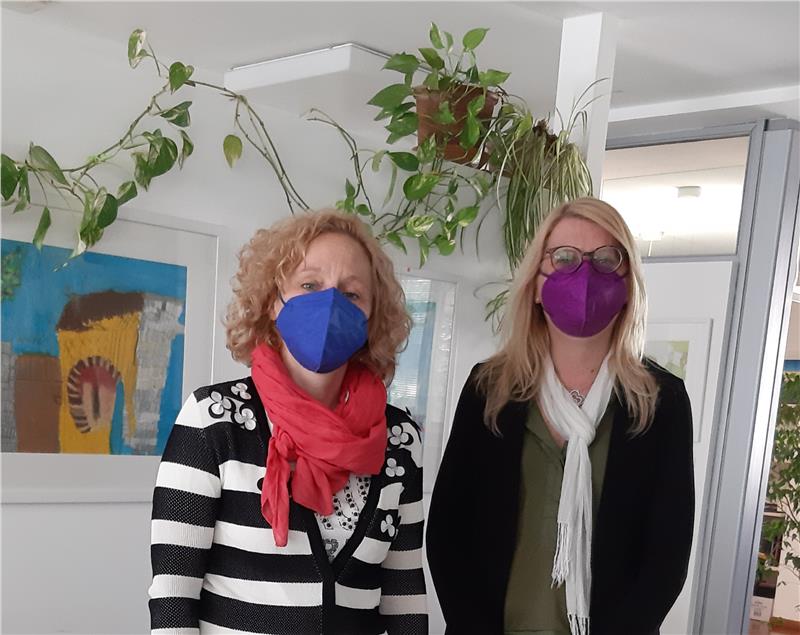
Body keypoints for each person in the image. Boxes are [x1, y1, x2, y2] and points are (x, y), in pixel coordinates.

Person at [148, 209, 428, 634]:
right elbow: (173, 597)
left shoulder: (399, 439)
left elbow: (404, 592)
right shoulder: (213, 419)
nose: (330, 303)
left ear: (373, 316)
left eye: (352, 294)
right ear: (272, 302)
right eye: (309, 285)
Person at [426, 197, 694, 635]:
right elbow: (447, 534)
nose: (584, 274)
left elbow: (666, 558)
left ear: (628, 285)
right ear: (535, 282)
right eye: (564, 258)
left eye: (606, 259)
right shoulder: (489, 389)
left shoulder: (661, 401)